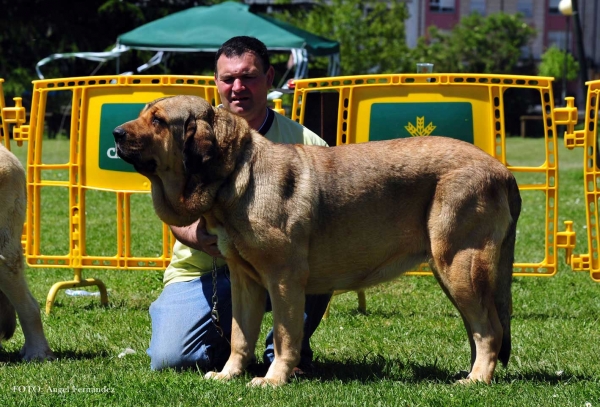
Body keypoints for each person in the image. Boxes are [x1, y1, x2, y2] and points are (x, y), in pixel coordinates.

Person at [147, 36, 332, 374]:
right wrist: (194, 235)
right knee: (171, 360)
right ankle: (230, 346)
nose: (237, 88)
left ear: (269, 78)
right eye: (228, 79)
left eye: (248, 77)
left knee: (319, 254)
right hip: (204, 271)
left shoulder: (308, 143)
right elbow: (174, 206)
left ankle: (284, 352)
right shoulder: (187, 137)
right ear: (215, 82)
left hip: (285, 268)